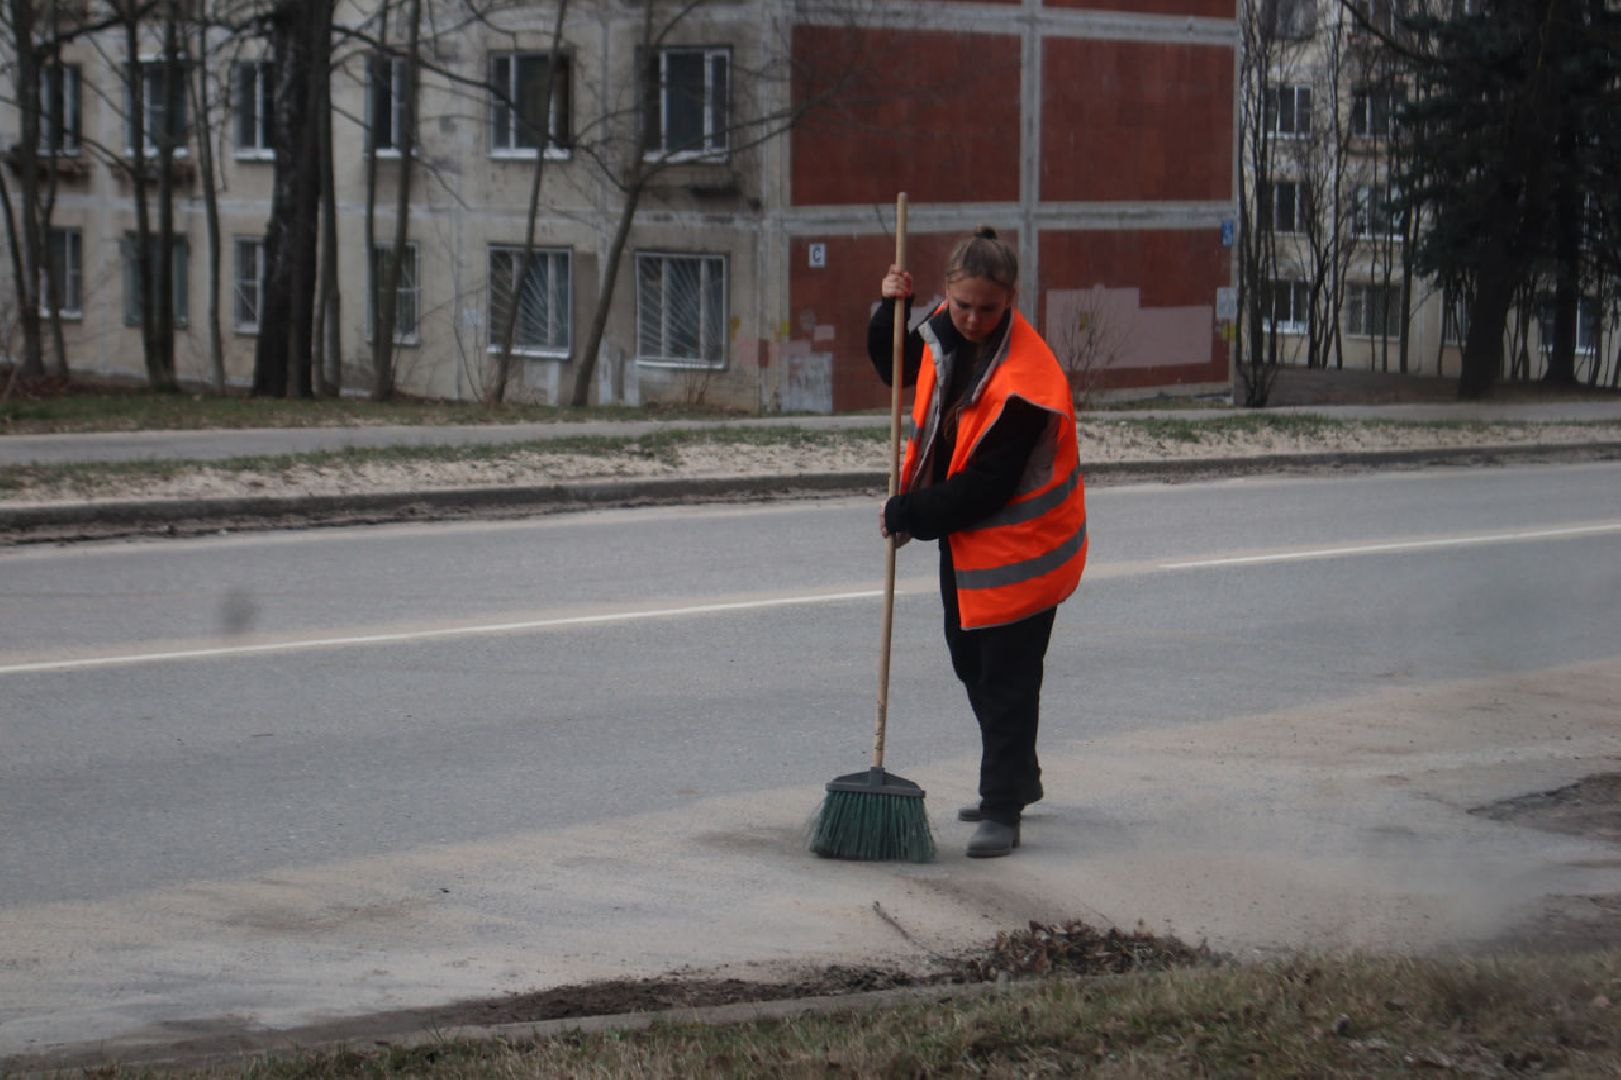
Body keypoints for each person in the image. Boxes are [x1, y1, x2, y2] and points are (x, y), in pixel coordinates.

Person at [867, 226, 1088, 859]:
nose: (970, 319)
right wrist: (891, 308)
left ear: (1011, 298)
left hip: (1023, 549)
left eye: (986, 309)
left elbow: (986, 486)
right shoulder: (943, 329)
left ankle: (1002, 805)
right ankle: (1017, 776)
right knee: (969, 662)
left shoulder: (1026, 379)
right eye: (961, 304)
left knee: (1006, 678)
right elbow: (895, 367)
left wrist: (908, 509)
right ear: (945, 292)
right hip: (969, 543)